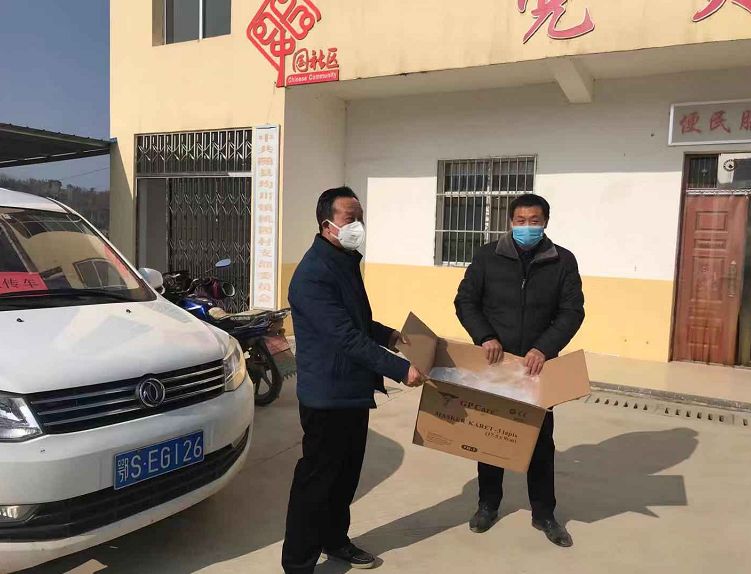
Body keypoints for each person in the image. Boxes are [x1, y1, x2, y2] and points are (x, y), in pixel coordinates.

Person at [282, 186, 425, 573]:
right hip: (326, 396)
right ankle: (298, 564)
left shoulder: (344, 261)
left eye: (360, 218)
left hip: (352, 391)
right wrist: (401, 369)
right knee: (316, 482)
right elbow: (344, 337)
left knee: (344, 478)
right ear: (327, 224)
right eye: (350, 218)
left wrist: (390, 336)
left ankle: (336, 541)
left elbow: (357, 322)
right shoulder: (312, 274)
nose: (357, 225)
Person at [454, 193, 584, 547]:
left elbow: (572, 311)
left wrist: (544, 348)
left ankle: (544, 514)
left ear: (545, 222)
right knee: (489, 436)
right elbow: (466, 301)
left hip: (536, 368)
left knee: (540, 442)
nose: (527, 227)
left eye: (534, 221)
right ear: (510, 222)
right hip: (495, 365)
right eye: (521, 220)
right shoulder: (487, 257)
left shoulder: (562, 261)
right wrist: (485, 336)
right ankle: (487, 504)